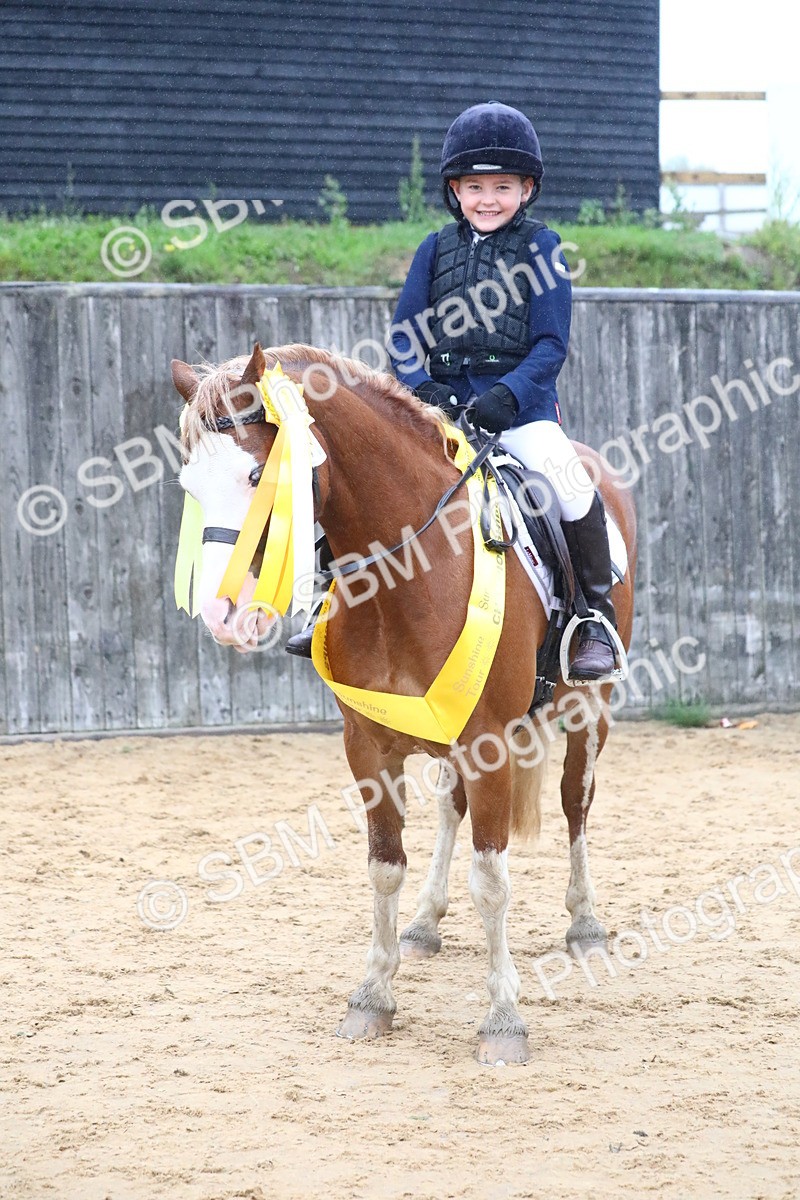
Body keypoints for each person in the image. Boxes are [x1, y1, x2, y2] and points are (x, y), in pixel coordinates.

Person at [385, 100, 617, 680]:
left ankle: (592, 620)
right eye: (474, 187)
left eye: (503, 187)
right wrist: (422, 387)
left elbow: (550, 344)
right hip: (443, 412)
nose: (488, 199)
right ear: (455, 191)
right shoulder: (433, 250)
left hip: (520, 414)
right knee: (368, 476)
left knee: (571, 488)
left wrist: (508, 396)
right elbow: (404, 337)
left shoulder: (543, 247)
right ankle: (330, 599)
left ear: (526, 188)